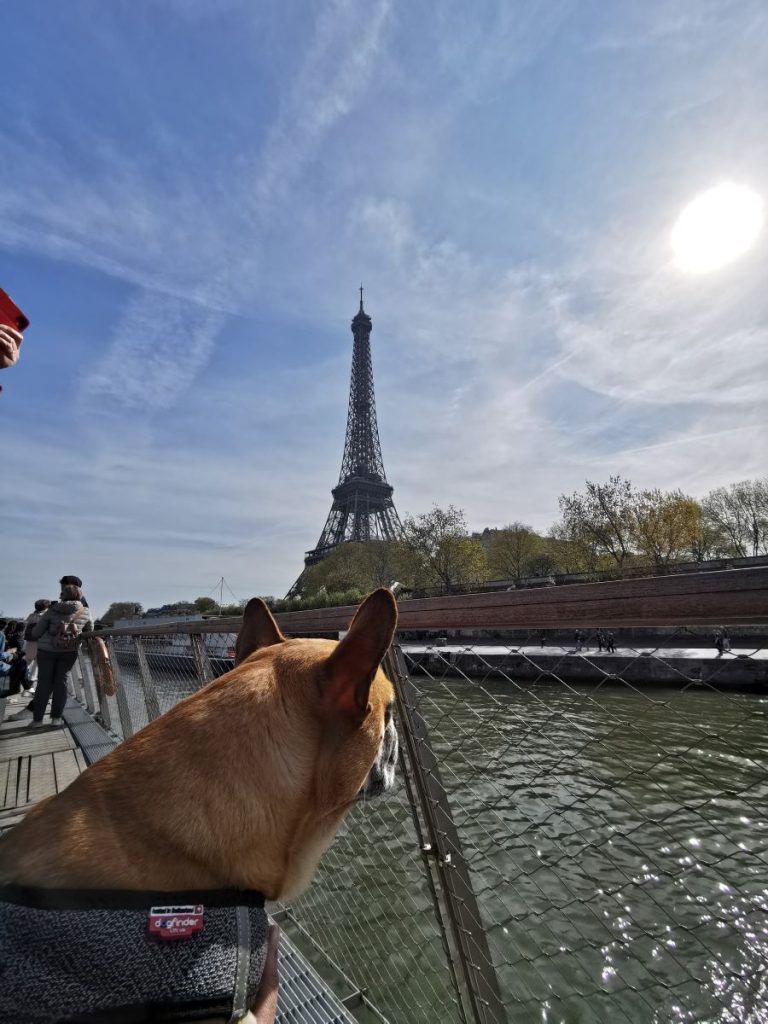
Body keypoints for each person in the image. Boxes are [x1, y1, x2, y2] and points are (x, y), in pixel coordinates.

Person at [29, 583, 92, 728]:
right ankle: (56, 719)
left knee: (44, 683)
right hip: (69, 651)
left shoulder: (52, 610)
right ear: (79, 596)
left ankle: (37, 720)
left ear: (62, 595)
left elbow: (36, 633)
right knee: (61, 683)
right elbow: (90, 630)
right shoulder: (86, 611)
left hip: (46, 651)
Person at [22, 599, 51, 694]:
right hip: (41, 642)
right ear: (46, 607)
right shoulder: (46, 616)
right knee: (38, 664)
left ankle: (25, 681)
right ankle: (30, 683)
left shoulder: (31, 616)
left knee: (28, 661)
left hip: (30, 641)